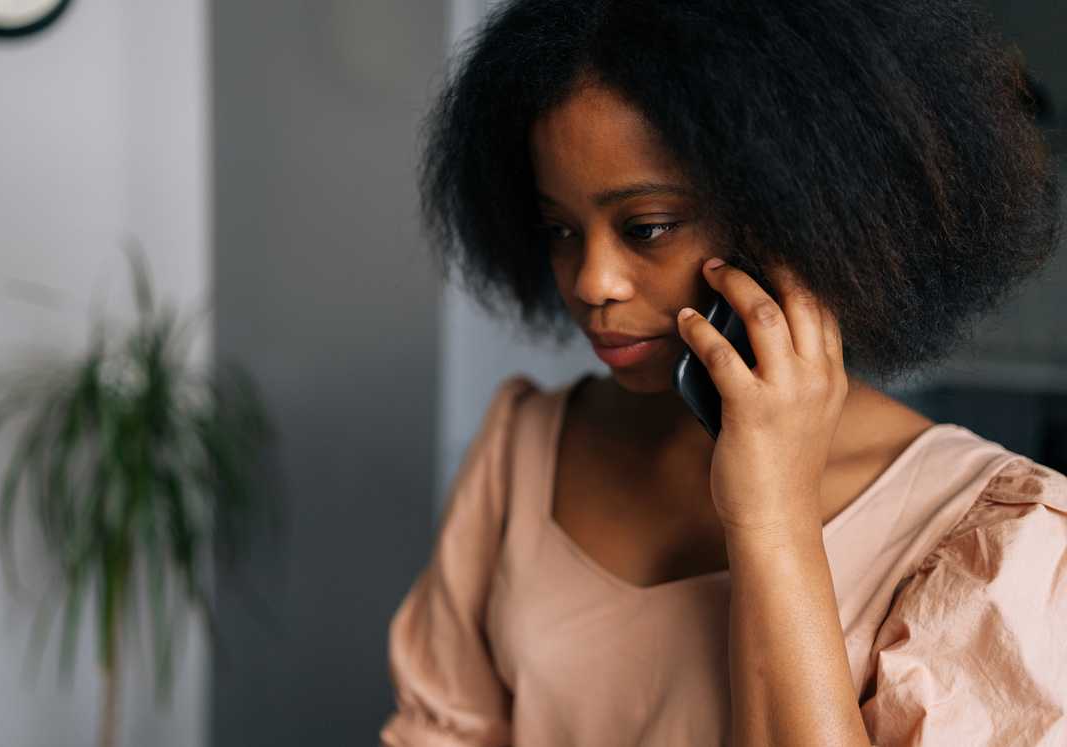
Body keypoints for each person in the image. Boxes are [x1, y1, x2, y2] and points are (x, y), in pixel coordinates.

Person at [380, 1, 1067, 744]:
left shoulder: (999, 542)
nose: (591, 280)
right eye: (562, 230)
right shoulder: (526, 447)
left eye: (645, 227)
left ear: (798, 215)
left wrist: (773, 516)